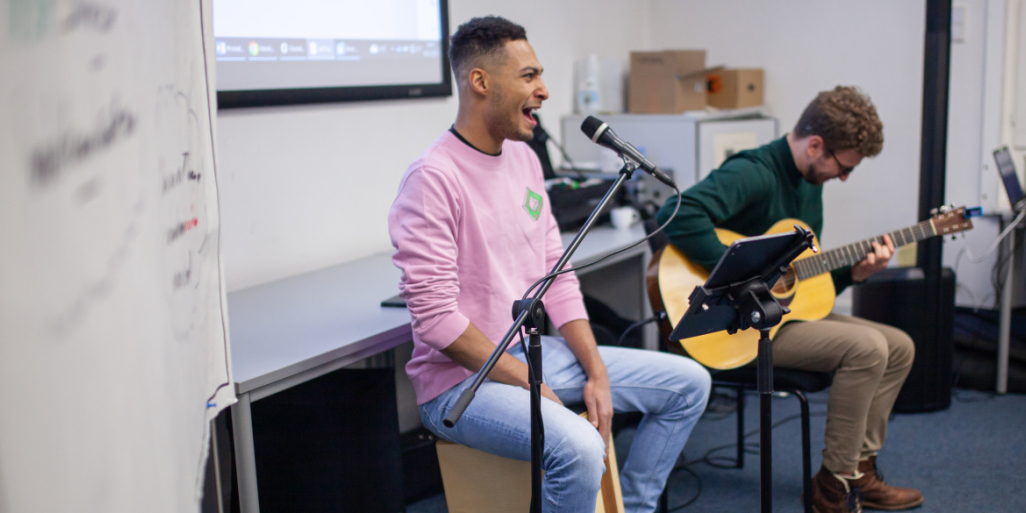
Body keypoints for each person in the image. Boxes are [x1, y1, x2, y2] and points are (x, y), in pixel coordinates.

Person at [388, 16, 710, 513]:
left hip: (529, 358)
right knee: (579, 446)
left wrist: (595, 368)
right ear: (480, 82)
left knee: (690, 384)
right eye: (529, 76)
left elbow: (557, 278)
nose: (544, 91)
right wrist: (530, 383)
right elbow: (434, 321)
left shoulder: (524, 160)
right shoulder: (432, 178)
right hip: (460, 384)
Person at [657, 86, 923, 513]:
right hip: (734, 326)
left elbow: (805, 288)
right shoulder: (754, 173)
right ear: (815, 145)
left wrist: (854, 273)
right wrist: (743, 277)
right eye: (843, 167)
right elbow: (676, 214)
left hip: (778, 317)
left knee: (900, 346)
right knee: (867, 348)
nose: (844, 177)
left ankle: (859, 471)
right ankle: (831, 490)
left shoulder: (809, 181)